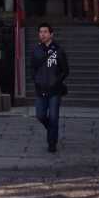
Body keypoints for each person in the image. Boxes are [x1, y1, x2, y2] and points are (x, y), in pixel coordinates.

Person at [30, 22, 69, 152]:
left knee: (53, 117)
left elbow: (65, 70)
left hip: (54, 90)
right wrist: (36, 80)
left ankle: (52, 143)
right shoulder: (36, 50)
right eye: (40, 32)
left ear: (51, 34)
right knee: (40, 115)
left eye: (45, 32)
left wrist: (56, 82)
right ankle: (52, 130)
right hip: (40, 89)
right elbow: (32, 68)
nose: (43, 34)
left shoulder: (58, 50)